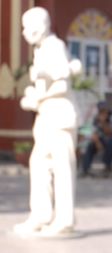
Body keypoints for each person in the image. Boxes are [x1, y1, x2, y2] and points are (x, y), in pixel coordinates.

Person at [13, 7, 80, 237]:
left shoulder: (54, 47)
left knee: (62, 166)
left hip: (59, 115)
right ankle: (41, 215)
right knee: (39, 163)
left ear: (39, 26)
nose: (23, 32)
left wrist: (36, 98)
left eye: (26, 27)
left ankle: (65, 220)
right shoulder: (41, 50)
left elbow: (62, 84)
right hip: (47, 114)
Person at [80, 101, 112, 177]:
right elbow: (94, 133)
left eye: (104, 109)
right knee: (90, 146)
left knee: (109, 142)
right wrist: (97, 143)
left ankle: (107, 167)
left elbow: (110, 132)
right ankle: (85, 169)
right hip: (102, 139)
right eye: (101, 110)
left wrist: (103, 122)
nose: (103, 112)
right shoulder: (96, 118)